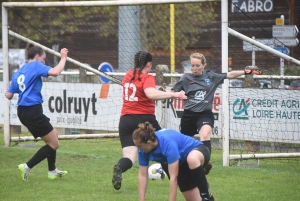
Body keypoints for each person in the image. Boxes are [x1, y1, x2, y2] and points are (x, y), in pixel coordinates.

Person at [172, 53, 263, 174]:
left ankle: (205, 164)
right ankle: (182, 165)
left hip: (204, 114)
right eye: (192, 65)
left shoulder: (211, 76)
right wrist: (165, 92)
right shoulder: (185, 78)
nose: (194, 68)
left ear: (204, 65)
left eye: (197, 65)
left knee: (205, 135)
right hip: (188, 115)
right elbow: (173, 91)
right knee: (185, 142)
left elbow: (230, 74)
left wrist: (247, 72)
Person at [112, 50, 187, 190]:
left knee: (129, 157)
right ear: (149, 64)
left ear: (135, 63)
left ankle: (120, 167)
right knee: (165, 146)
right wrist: (173, 94)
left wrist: (159, 91)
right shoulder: (148, 78)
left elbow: (142, 92)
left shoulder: (128, 75)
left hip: (125, 120)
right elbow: (149, 93)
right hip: (144, 120)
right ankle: (179, 179)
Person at [5, 44, 69, 181]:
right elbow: (56, 72)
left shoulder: (19, 71)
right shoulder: (35, 65)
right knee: (54, 144)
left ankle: (52, 170)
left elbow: (9, 95)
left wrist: (11, 92)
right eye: (44, 59)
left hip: (22, 112)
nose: (44, 62)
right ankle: (27, 166)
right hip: (32, 110)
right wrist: (63, 58)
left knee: (54, 135)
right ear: (37, 56)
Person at [133, 121, 214, 201]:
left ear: (149, 143)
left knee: (192, 159)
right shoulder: (142, 150)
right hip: (180, 163)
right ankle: (202, 183)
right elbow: (143, 175)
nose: (138, 149)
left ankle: (205, 194)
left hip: (195, 150)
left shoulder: (168, 144)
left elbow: (173, 177)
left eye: (139, 146)